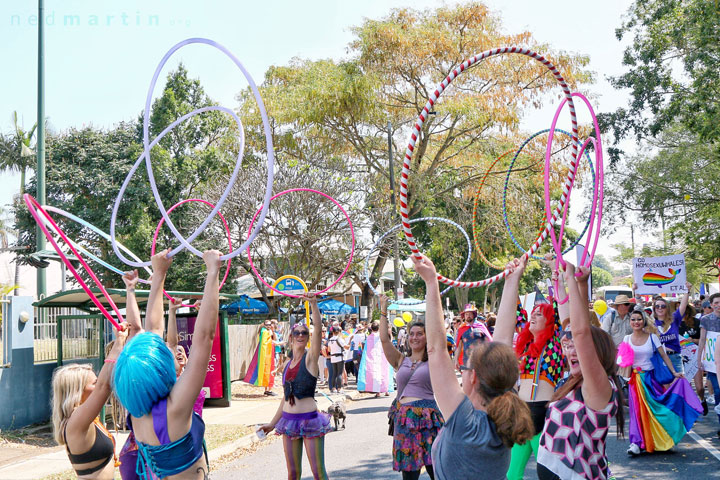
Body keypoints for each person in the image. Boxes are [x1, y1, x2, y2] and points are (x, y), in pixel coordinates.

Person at [411, 254, 534, 480]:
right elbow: (503, 342)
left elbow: (437, 350)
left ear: (474, 376)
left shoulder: (466, 423)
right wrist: (512, 281)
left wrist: (431, 282)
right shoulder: (503, 418)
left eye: (465, 367)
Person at [113, 249, 220, 479]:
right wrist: (212, 272)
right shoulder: (175, 408)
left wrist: (159, 275)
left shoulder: (137, 409)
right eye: (166, 352)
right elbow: (204, 338)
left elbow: (151, 331)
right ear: (161, 371)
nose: (170, 350)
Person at [534, 263, 625, 480]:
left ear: (595, 352)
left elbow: (581, 331)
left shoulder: (599, 386)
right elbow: (570, 323)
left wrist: (571, 280)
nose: (569, 351)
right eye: (567, 346)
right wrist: (577, 284)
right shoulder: (576, 383)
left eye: (577, 347)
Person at [494, 258, 565, 480]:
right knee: (512, 473)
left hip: (544, 412)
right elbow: (515, 311)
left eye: (539, 314)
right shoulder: (526, 347)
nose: (533, 316)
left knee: (548, 474)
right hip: (521, 412)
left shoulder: (555, 344)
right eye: (532, 313)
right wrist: (512, 278)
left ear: (550, 322)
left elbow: (559, 306)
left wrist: (555, 269)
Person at [258, 294, 331, 480]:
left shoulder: (310, 358)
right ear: (290, 337)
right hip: (289, 421)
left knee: (318, 473)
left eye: (304, 333)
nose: (300, 336)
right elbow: (285, 398)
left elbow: (318, 332)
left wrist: (313, 305)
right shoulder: (288, 364)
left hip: (310, 420)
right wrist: (271, 424)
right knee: (292, 473)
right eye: (296, 333)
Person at [378, 294, 444, 480]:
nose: (414, 337)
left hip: (428, 418)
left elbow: (439, 333)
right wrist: (383, 308)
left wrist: (432, 301)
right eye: (412, 334)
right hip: (404, 419)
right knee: (409, 474)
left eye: (419, 334)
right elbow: (384, 339)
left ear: (427, 336)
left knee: (436, 470)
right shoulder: (401, 360)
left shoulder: (434, 359)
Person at [52, 325, 127, 480]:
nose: (98, 384)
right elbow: (104, 387)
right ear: (77, 391)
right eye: (94, 383)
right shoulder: (76, 420)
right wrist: (119, 341)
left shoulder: (81, 420)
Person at [624, 307, 702, 455]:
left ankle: (665, 438)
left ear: (644, 321)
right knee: (637, 413)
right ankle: (636, 442)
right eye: (633, 319)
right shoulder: (626, 339)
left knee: (659, 410)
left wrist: (674, 372)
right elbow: (624, 361)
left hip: (652, 379)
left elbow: (665, 356)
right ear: (630, 322)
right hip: (635, 380)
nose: (636, 322)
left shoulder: (652, 337)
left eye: (639, 319)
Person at [653, 285, 692, 374]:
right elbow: (638, 311)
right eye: (657, 306)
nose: (660, 308)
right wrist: (637, 295)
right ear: (654, 308)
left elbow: (683, 306)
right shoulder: (651, 323)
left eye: (663, 306)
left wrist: (687, 291)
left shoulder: (674, 319)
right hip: (659, 358)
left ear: (667, 308)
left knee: (678, 384)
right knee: (663, 387)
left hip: (675, 357)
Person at [697, 292, 720, 437]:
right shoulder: (705, 320)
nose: (718, 306)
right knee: (718, 393)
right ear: (711, 305)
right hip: (713, 364)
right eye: (716, 303)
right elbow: (702, 340)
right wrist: (699, 359)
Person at [357, 320, 395, 397]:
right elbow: (389, 343)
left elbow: (365, 348)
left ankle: (378, 392)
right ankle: (386, 390)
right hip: (383, 357)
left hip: (372, 358)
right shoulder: (382, 336)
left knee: (376, 374)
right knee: (385, 373)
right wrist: (391, 335)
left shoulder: (368, 337)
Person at [244, 318, 277, 396]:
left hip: (270, 353)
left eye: (270, 324)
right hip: (266, 354)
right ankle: (268, 390)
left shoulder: (268, 331)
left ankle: (268, 389)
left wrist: (273, 332)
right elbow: (269, 342)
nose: (269, 326)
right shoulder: (265, 332)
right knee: (268, 370)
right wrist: (280, 343)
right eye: (267, 325)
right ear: (264, 325)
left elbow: (273, 340)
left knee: (270, 370)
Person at [327, 325, 348, 394]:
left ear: (332, 332)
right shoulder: (339, 339)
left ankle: (333, 388)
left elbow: (329, 349)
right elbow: (346, 347)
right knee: (339, 373)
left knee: (334, 373)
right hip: (339, 357)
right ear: (339, 332)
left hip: (333, 358)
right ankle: (339, 388)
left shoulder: (330, 340)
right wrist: (350, 342)